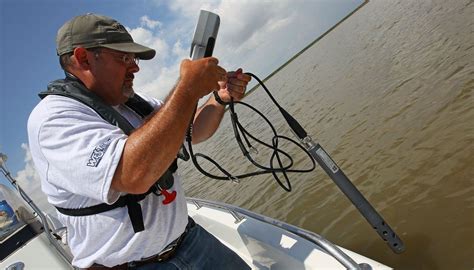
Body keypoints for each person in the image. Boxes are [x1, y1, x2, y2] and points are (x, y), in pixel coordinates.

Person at [27, 13, 251, 269]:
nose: (135, 67)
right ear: (83, 58)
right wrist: (187, 88)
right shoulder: (53, 119)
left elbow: (192, 131)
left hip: (190, 240)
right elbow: (133, 175)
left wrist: (219, 99)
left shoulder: (132, 102)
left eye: (133, 58)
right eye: (124, 57)